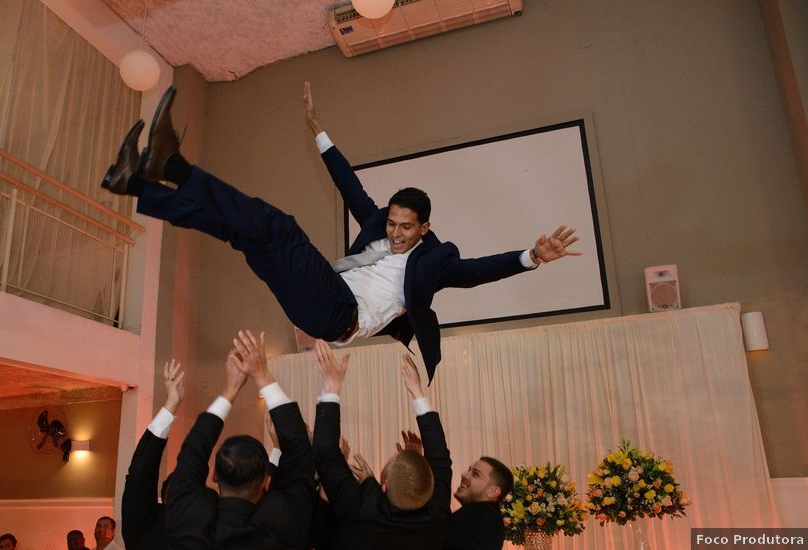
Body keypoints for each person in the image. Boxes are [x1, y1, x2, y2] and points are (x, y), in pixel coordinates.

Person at [100, 83, 581, 382]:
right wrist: (319, 132)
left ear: (425, 228)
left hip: (338, 314)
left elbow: (479, 272)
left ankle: (174, 164)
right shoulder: (377, 223)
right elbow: (348, 182)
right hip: (318, 299)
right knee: (239, 231)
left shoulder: (436, 263)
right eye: (391, 223)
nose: (393, 234)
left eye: (404, 228)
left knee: (278, 226)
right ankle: (138, 186)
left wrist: (532, 256)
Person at [164, 330, 315, 549]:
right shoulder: (285, 523)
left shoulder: (189, 522)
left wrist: (231, 388)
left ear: (214, 474)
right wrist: (263, 376)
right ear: (266, 480)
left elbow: (192, 451)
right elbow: (300, 454)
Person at [311, 340, 452, 549]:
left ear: (384, 485)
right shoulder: (437, 512)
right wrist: (417, 393)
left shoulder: (361, 508)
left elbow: (325, 455)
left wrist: (332, 385)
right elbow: (439, 456)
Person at [121, 359, 185, 550]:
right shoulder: (148, 524)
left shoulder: (208, 527)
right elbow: (141, 475)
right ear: (165, 499)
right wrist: (170, 406)